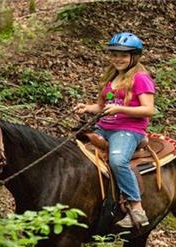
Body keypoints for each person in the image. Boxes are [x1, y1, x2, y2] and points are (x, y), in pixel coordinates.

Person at [74, 32, 156, 229]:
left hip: (128, 130)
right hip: (104, 127)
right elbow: (103, 107)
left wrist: (120, 109)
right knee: (73, 151)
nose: (118, 59)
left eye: (123, 55)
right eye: (114, 54)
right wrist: (86, 108)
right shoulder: (112, 77)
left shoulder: (140, 78)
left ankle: (136, 208)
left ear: (134, 57)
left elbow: (148, 109)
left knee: (118, 161)